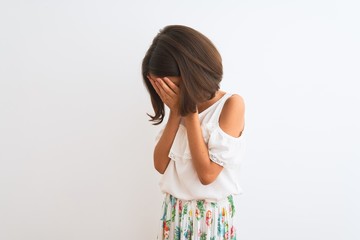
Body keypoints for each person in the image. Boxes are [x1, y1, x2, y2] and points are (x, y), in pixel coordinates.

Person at [141, 25, 246, 240]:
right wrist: (175, 113)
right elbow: (160, 164)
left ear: (192, 74)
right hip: (175, 212)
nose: (168, 93)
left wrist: (188, 114)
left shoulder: (231, 105)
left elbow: (207, 175)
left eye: (172, 87)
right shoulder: (178, 110)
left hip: (209, 217)